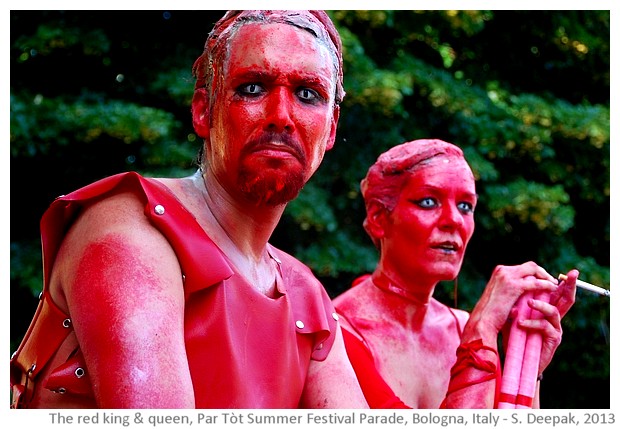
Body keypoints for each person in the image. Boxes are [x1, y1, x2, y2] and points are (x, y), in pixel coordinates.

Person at [9, 10, 566, 410]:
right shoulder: (132, 228)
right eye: (253, 87)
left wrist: (490, 350)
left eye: (307, 94)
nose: (281, 114)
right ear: (204, 110)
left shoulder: (304, 298)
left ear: (330, 132)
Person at [333, 138, 578, 409]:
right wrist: (481, 329)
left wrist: (526, 365)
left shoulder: (465, 328)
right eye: (428, 202)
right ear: (379, 217)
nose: (454, 220)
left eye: (465, 206)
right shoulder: (336, 331)